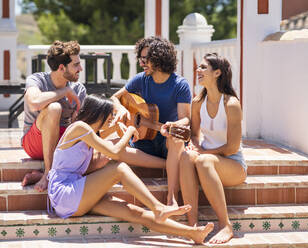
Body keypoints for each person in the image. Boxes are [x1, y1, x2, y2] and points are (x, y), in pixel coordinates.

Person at [47, 94, 214, 244]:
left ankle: (192, 233)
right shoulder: (79, 128)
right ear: (99, 114)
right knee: (118, 168)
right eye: (110, 115)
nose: (112, 119)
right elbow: (113, 151)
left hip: (75, 195)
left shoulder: (88, 132)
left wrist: (119, 128)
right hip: (66, 193)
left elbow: (104, 136)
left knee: (135, 212)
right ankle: (158, 208)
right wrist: (130, 131)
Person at [111, 36, 192, 206]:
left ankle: (172, 197)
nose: (141, 63)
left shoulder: (179, 84)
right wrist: (121, 108)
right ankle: (169, 164)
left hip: (167, 140)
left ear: (160, 58)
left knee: (176, 141)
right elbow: (114, 97)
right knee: (116, 150)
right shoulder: (141, 79)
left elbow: (186, 119)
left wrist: (174, 125)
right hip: (145, 140)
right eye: (140, 58)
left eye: (145, 59)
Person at [179, 53, 247, 244]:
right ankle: (193, 225)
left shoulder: (231, 104)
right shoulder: (197, 102)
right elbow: (193, 134)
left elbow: (232, 147)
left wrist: (203, 153)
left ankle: (225, 225)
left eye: (202, 68)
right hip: (207, 159)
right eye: (198, 68)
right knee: (186, 156)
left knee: (202, 160)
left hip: (233, 164)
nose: (197, 71)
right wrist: (195, 146)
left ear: (217, 72)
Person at [21, 40, 86, 192]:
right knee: (54, 108)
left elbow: (78, 127)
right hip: (34, 141)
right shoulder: (37, 80)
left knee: (99, 156)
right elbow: (35, 103)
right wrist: (63, 92)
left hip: (61, 140)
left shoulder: (79, 89)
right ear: (62, 68)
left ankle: (40, 175)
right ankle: (49, 174)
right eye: (76, 65)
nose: (80, 68)